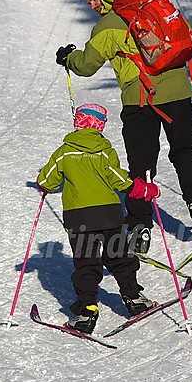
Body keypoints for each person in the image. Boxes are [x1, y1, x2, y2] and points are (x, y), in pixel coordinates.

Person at [56, 0, 192, 255]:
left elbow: (86, 66)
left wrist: (68, 57)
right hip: (179, 93)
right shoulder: (155, 5)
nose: (93, 6)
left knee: (142, 165)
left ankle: (139, 226)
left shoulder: (108, 25)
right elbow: (189, 34)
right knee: (184, 150)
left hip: (141, 100)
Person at [36, 103, 160, 334]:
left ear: (78, 124)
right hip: (108, 214)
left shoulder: (64, 152)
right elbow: (118, 179)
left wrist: (43, 181)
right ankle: (133, 298)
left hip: (79, 217)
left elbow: (46, 181)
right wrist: (142, 189)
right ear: (100, 125)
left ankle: (87, 311)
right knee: (119, 256)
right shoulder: (104, 151)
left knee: (86, 263)